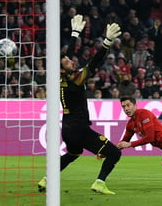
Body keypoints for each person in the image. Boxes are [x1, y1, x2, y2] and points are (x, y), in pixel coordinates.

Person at [38, 14, 122, 195]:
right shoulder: (76, 80)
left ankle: (47, 179)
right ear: (63, 69)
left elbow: (67, 56)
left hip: (67, 128)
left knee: (73, 153)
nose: (71, 61)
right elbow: (94, 63)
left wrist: (75, 34)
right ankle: (99, 182)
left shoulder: (61, 78)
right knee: (114, 153)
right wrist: (107, 42)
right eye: (67, 62)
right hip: (78, 128)